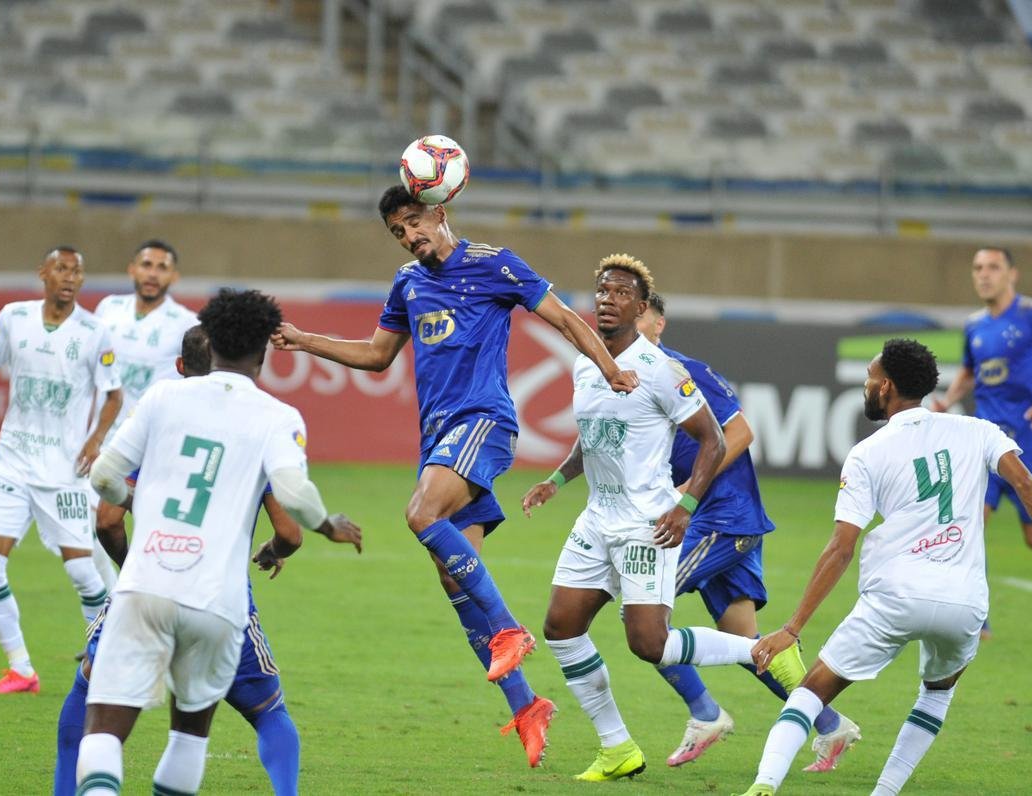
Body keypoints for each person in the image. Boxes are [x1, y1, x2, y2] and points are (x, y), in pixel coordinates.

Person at [270, 185, 639, 767]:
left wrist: (611, 367)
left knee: (419, 515)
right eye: (398, 231)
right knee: (452, 578)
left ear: (439, 212)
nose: (410, 237)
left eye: (414, 222)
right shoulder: (407, 282)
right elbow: (375, 355)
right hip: (439, 438)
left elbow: (566, 319)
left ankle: (508, 630)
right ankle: (527, 705)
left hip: (484, 422)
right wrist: (302, 339)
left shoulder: (495, 265)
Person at [520, 255, 806, 782]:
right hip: (595, 521)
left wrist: (686, 504)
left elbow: (715, 439)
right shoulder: (587, 362)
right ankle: (616, 748)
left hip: (644, 523)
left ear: (642, 308)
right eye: (602, 290)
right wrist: (556, 481)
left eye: (621, 293)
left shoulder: (660, 371)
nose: (607, 298)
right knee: (561, 628)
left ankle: (758, 649)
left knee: (648, 643)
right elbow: (595, 437)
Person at [55, 324, 362, 796]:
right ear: (260, 361)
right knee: (219, 726)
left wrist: (141, 517)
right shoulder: (271, 418)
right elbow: (290, 525)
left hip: (146, 582)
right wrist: (325, 526)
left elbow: (106, 503)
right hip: (217, 597)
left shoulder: (162, 404)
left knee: (98, 715)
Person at [735, 338, 1032, 796]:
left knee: (810, 692)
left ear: (886, 387)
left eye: (869, 377)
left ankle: (764, 785)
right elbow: (1026, 484)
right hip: (965, 603)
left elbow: (841, 548)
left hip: (895, 597)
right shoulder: (979, 430)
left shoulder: (868, 453)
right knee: (937, 692)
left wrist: (793, 627)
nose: (866, 384)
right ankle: (885, 792)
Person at [636, 292, 861, 771]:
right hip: (717, 519)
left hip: (720, 516)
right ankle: (830, 724)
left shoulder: (683, 370)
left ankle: (705, 713)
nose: (629, 325)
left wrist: (684, 493)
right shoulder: (627, 379)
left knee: (643, 610)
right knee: (748, 644)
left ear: (660, 323)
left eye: (641, 315)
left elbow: (740, 434)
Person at [0, 246, 122, 695]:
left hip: (62, 471)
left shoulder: (93, 331)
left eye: (77, 272)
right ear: (43, 274)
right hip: (10, 460)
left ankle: (106, 654)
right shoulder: (13, 316)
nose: (69, 277)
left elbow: (114, 396)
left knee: (83, 574)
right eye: (61, 269)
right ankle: (21, 669)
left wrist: (95, 439)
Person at [91, 239, 199, 583]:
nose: (153, 274)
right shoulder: (108, 309)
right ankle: (127, 589)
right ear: (132, 269)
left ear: (174, 277)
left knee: (143, 530)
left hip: (149, 446)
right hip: (100, 442)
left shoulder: (185, 322)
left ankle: (137, 589)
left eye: (161, 267)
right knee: (90, 538)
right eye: (147, 265)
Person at [931, 246, 1032, 559]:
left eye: (993, 267)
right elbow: (971, 370)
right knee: (968, 527)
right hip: (984, 441)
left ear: (1012, 274)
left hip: (1029, 443)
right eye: (978, 268)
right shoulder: (974, 325)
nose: (984, 274)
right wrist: (948, 400)